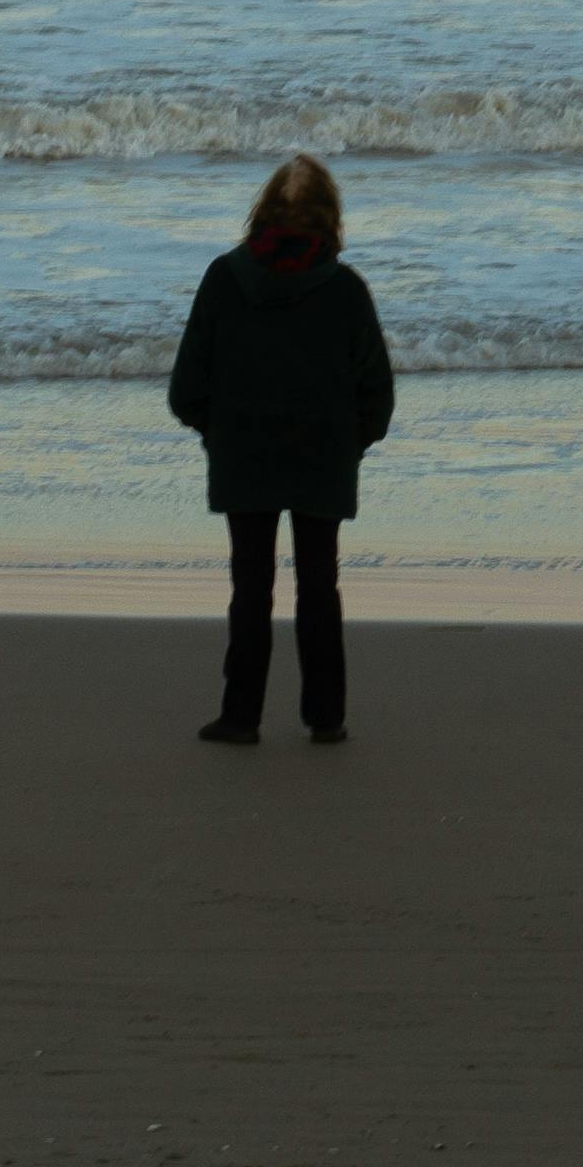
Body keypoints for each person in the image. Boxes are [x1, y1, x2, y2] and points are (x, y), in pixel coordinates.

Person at [165, 152, 393, 746]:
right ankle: (326, 716)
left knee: (251, 584)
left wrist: (219, 432)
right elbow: (378, 395)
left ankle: (241, 715)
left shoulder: (224, 277)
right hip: (323, 457)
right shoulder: (345, 290)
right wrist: (349, 442)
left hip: (245, 454)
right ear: (330, 218)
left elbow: (186, 389)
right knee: (320, 583)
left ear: (261, 212)